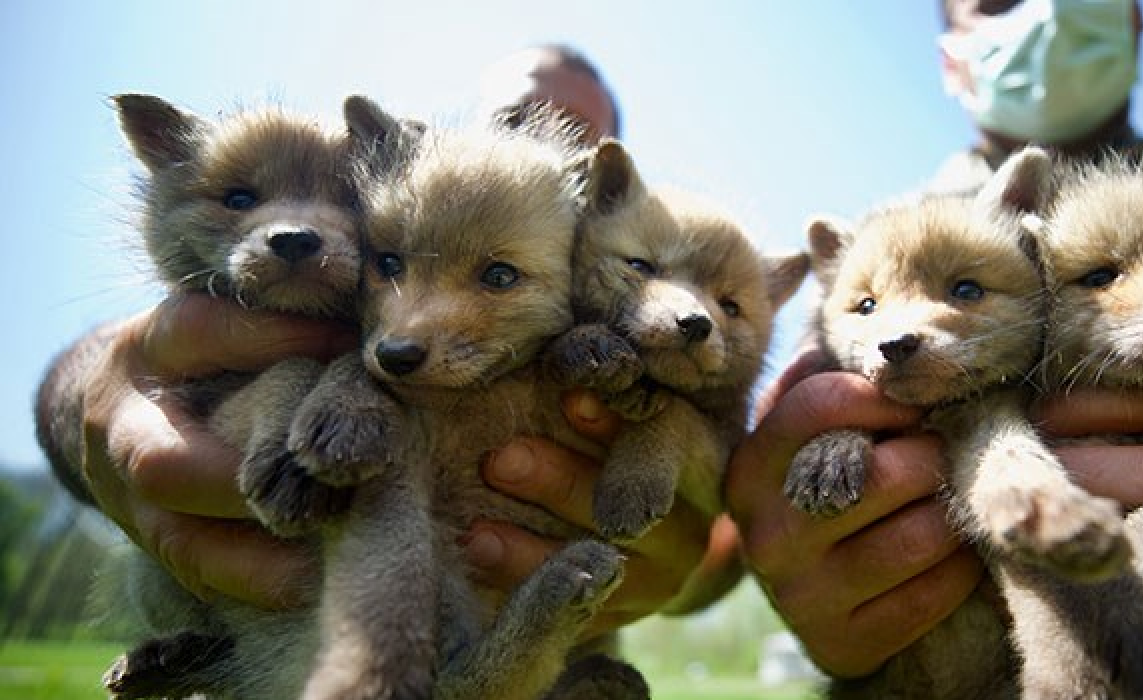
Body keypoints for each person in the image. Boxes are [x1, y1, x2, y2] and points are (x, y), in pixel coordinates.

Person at [34, 42, 732, 651]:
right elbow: (127, 348)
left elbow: (726, 520)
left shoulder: (632, 275)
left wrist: (689, 564)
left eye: (579, 149)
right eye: (517, 122)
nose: (539, 155)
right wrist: (91, 397)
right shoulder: (365, 205)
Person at [725, 0, 1143, 689]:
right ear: (950, 58)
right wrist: (776, 537)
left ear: (1138, 18)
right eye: (995, 3)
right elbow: (724, 536)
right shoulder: (889, 234)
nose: (1047, 13)